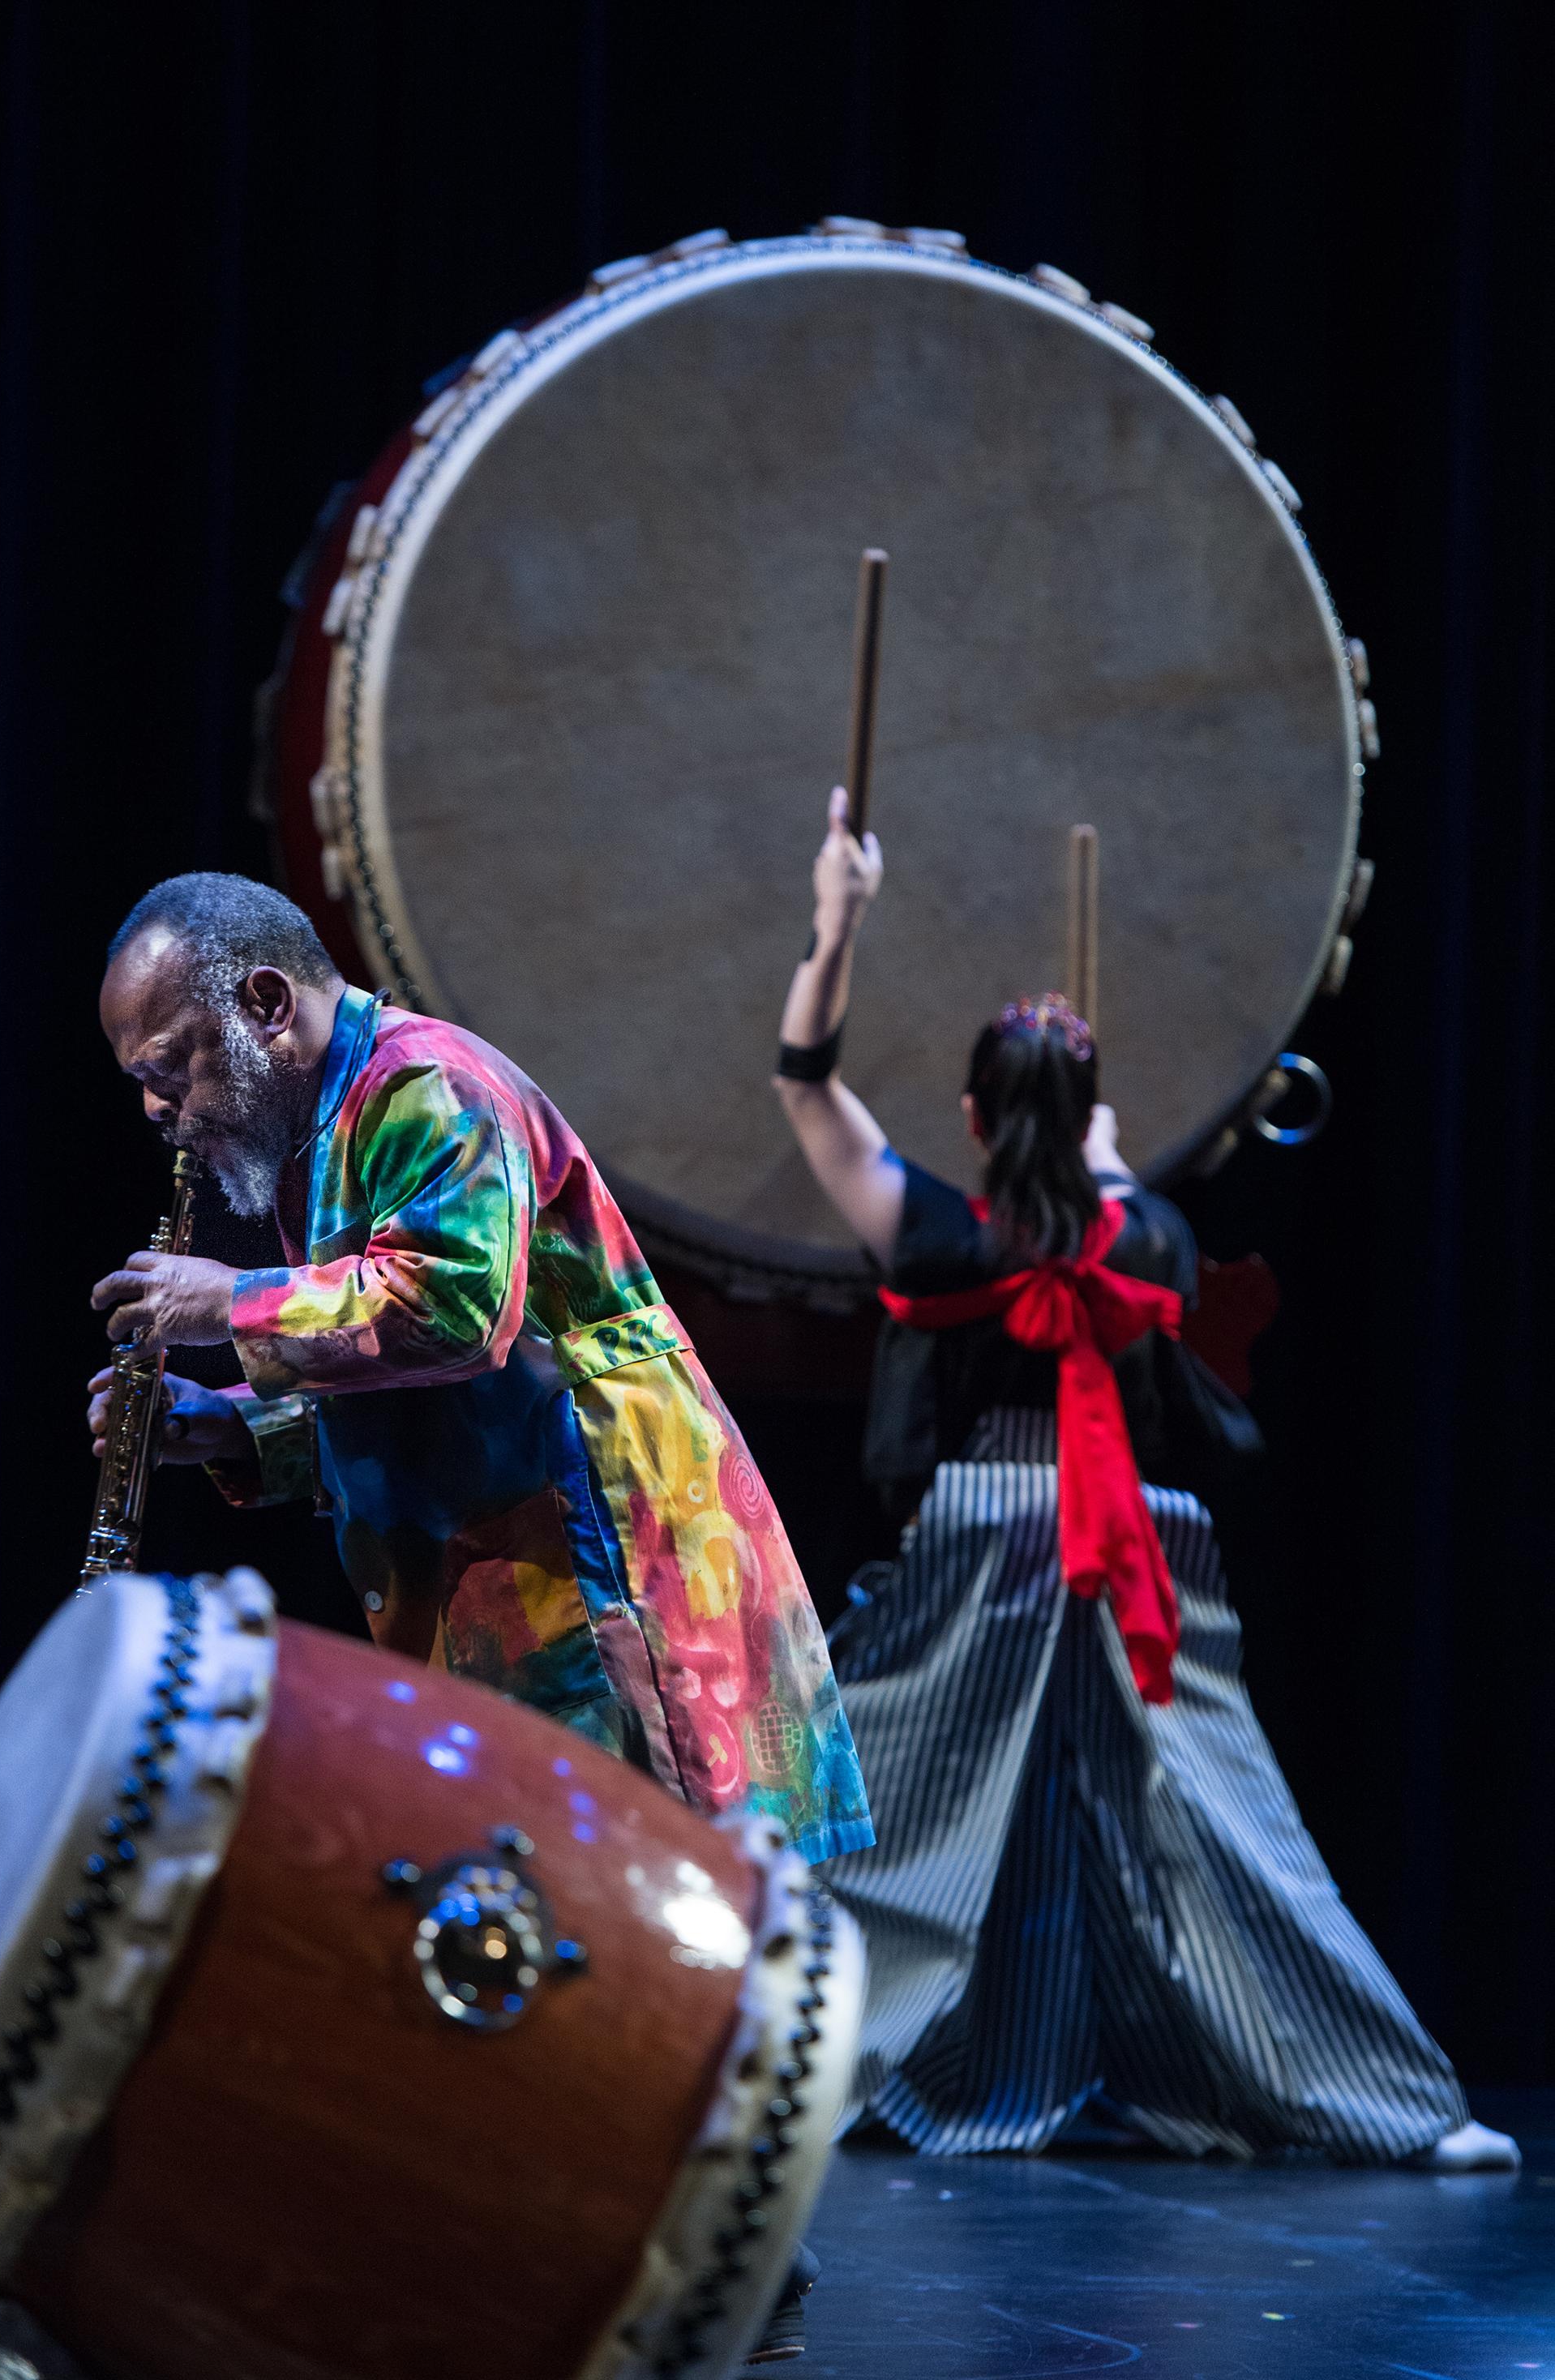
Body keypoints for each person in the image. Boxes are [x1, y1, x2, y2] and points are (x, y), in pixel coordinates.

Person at [771, 788, 1515, 2172]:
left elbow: (804, 1084)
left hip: (982, 1545)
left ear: (973, 1116)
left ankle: (768, 2072)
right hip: (1132, 1550)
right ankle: (1401, 2111)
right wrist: (1113, 1177)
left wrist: (838, 922)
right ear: (1095, 1111)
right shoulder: (1154, 1238)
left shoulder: (935, 1232)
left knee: (882, 1819)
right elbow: (1126, 1249)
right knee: (1224, 1835)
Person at [88, 871, 873, 1883]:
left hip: (598, 1565)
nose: (158, 1109)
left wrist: (227, 1303)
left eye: (168, 1068)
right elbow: (407, 1379)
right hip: (499, 1575)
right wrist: (236, 1427)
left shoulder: (427, 1086)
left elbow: (451, 1316)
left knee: (643, 1911)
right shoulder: (318, 1126)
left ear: (266, 1005)